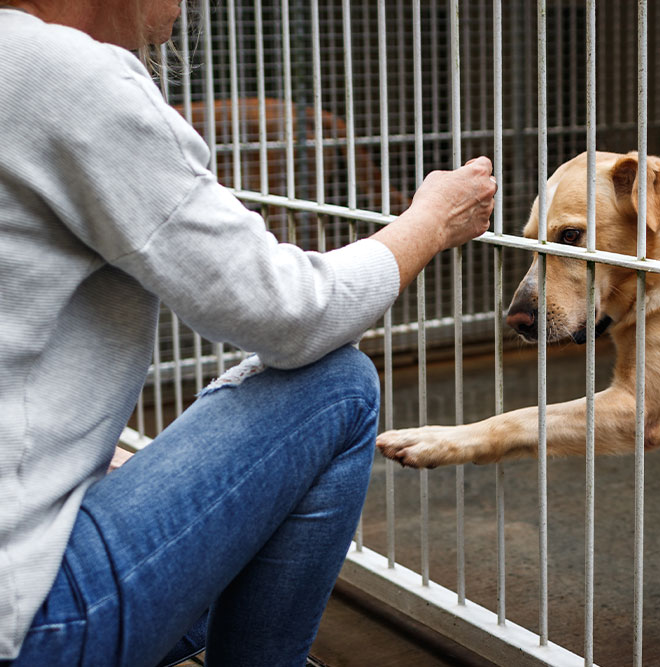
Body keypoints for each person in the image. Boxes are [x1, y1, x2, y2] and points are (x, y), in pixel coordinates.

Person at [0, 1, 497, 665]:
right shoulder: (63, 72)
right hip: (35, 626)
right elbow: (289, 312)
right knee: (335, 383)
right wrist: (429, 222)